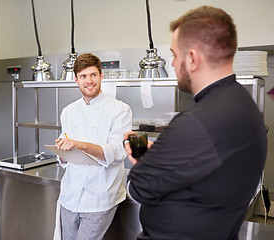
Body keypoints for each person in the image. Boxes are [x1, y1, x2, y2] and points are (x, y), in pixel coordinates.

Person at [124, 6, 267, 240]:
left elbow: (137, 188)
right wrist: (161, 158)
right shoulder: (245, 106)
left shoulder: (194, 123)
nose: (171, 63)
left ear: (191, 58)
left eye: (174, 54)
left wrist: (147, 162)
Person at [55, 53, 132, 240]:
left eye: (93, 75)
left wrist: (79, 144)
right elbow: (64, 155)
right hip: (70, 194)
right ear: (76, 80)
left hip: (100, 196)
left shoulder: (120, 109)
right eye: (83, 76)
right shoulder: (69, 111)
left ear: (101, 76)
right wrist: (61, 151)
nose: (89, 81)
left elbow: (117, 152)